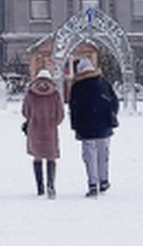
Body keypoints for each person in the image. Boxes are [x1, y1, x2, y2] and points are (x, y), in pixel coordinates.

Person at [67, 57, 119, 197]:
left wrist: (75, 126)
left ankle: (92, 184)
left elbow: (74, 108)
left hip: (86, 126)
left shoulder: (77, 86)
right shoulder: (103, 83)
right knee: (103, 154)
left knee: (90, 155)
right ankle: (103, 180)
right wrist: (111, 116)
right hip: (104, 125)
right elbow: (114, 102)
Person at [22, 68, 64, 199]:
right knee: (51, 158)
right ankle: (51, 185)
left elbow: (25, 112)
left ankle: (40, 187)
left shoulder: (30, 93)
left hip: (35, 130)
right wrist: (52, 122)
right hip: (50, 130)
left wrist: (33, 119)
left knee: (37, 157)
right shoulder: (55, 93)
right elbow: (60, 115)